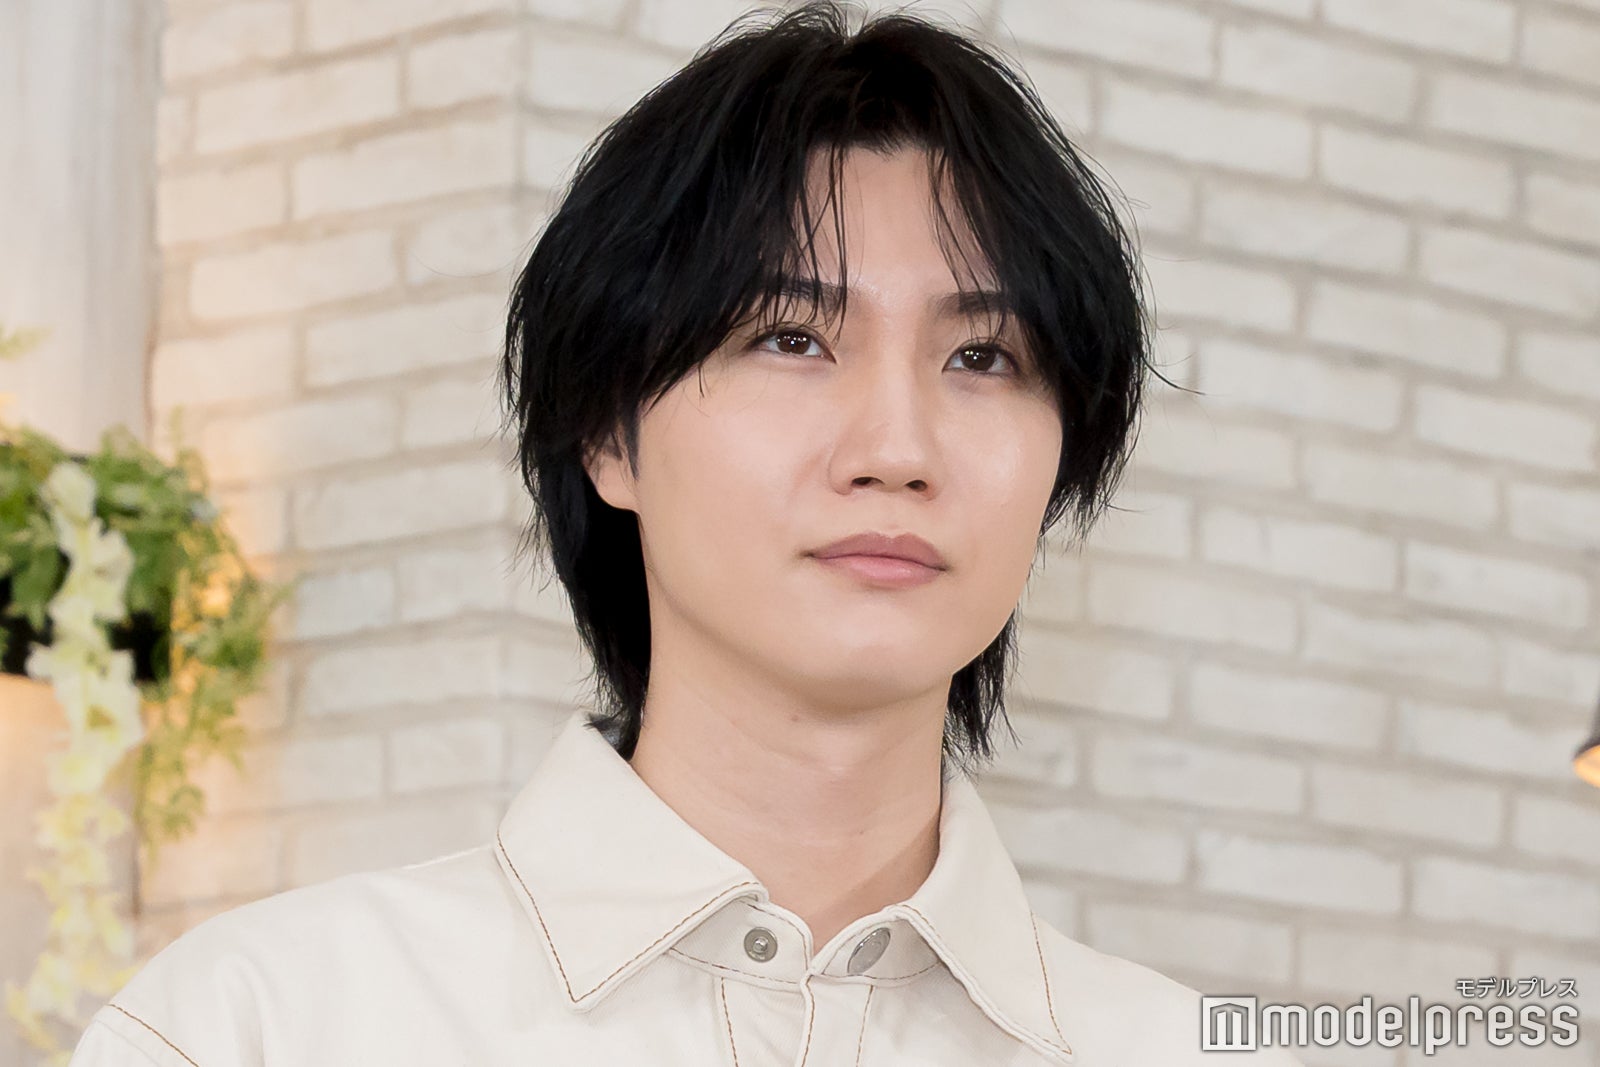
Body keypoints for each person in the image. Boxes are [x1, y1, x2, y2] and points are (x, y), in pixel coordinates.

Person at [67, 3, 1307, 1064]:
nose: (897, 447)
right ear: (608, 433)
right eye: (791, 338)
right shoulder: (265, 1024)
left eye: (981, 355)